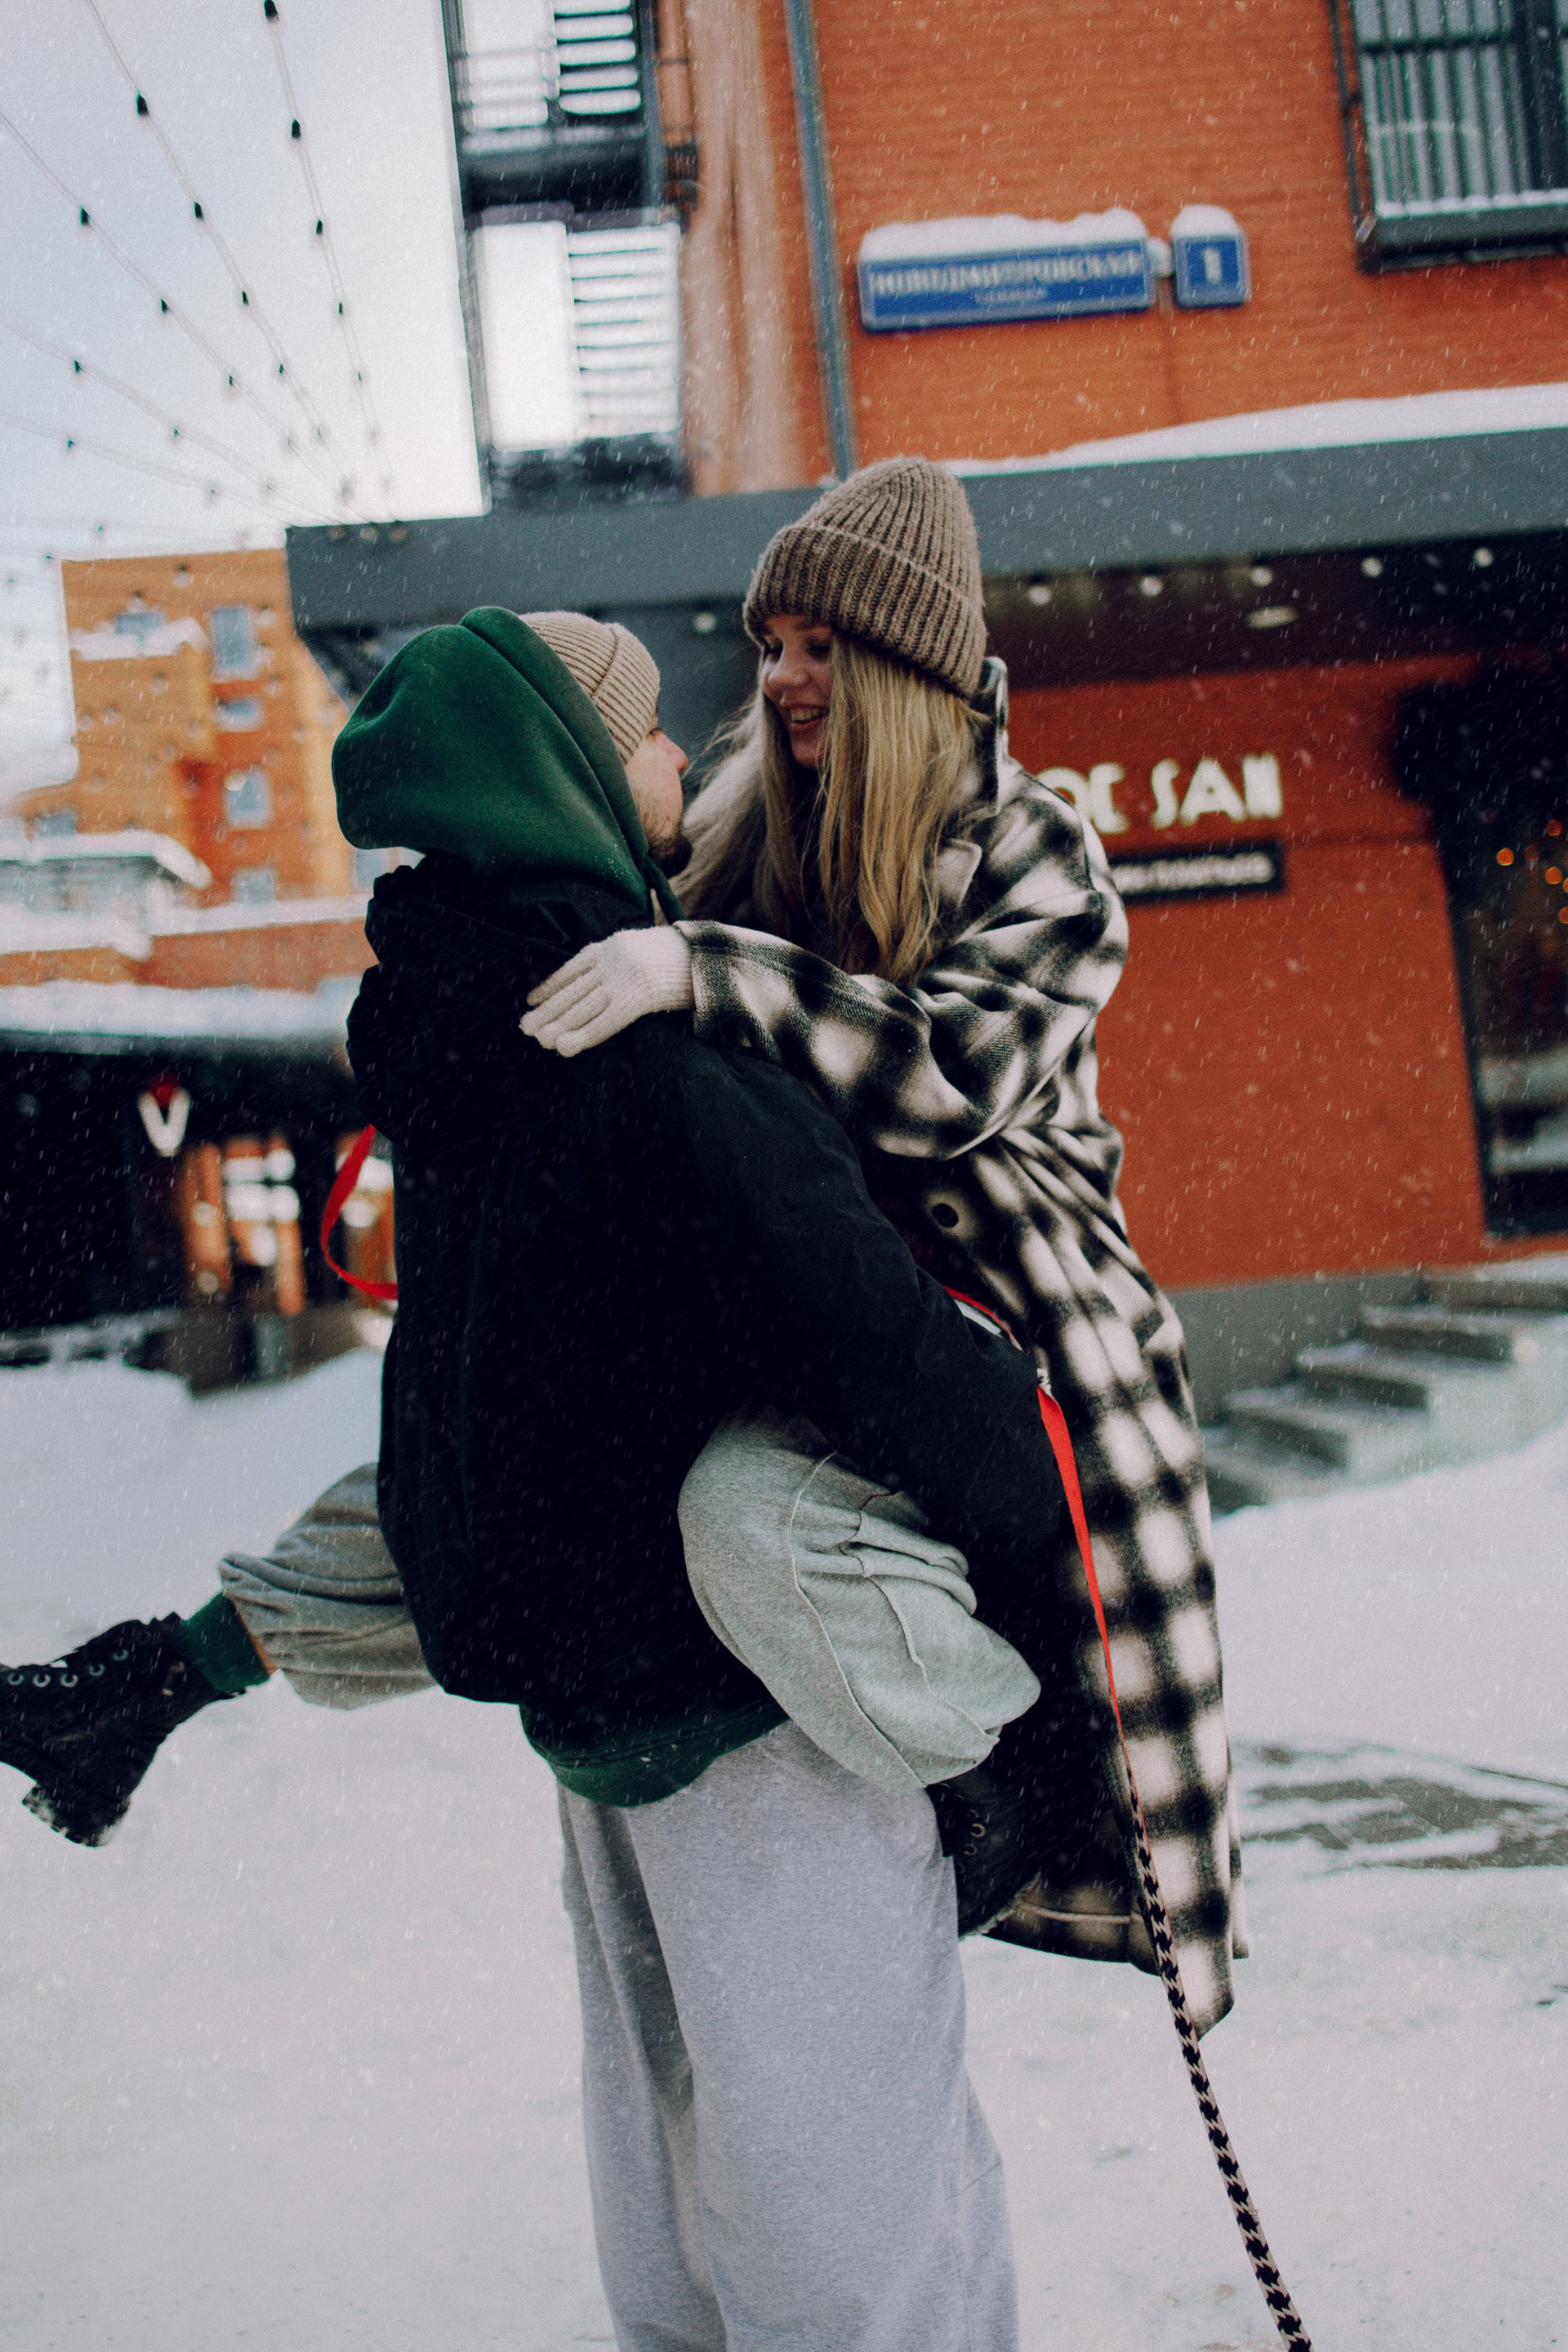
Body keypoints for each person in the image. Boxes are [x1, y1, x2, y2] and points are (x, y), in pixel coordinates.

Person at [8, 455, 1245, 2018]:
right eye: (772, 643)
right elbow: (601, 933)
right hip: (799, 1291)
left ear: (906, 666)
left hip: (1015, 1307)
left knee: (756, 1517)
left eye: (819, 646)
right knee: (501, 1476)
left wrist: (708, 974)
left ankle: (1036, 1764)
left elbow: (951, 1077)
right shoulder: (741, 832)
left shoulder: (1031, 848)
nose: (779, 678)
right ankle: (157, 1674)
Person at [2, 604, 1100, 2346]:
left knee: (679, 2200)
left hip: (600, 1733)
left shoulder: (455, 1048)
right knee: (851, 2225)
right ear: (568, 773)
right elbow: (889, 1360)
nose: (679, 757)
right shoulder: (648, 1069)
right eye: (646, 732)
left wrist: (204, 1656)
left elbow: (482, 1442)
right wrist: (1055, 1656)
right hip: (757, 1730)